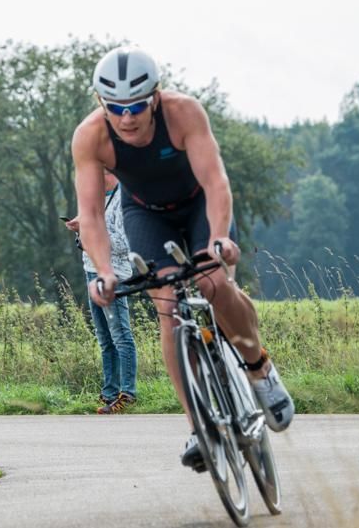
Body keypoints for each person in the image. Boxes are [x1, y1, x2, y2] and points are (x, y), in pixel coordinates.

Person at [72, 46, 295, 470]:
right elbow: (92, 215)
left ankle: (259, 367)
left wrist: (217, 239)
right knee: (169, 308)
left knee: (213, 282)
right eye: (116, 108)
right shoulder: (90, 136)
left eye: (137, 105)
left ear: (155, 96)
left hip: (199, 206)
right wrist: (103, 271)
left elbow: (216, 181)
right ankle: (199, 426)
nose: (127, 117)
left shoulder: (183, 113)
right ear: (102, 104)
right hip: (147, 215)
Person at [65, 170, 139, 414]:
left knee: (120, 335)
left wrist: (92, 232)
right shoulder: (95, 197)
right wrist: (81, 231)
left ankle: (127, 393)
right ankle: (109, 393)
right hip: (91, 270)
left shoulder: (123, 199)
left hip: (114, 274)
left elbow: (124, 244)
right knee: (104, 338)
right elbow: (86, 242)